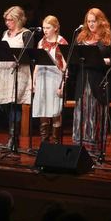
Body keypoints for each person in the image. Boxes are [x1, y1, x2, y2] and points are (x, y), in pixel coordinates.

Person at [70, 8, 111, 156]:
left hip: (99, 80)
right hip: (83, 79)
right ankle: (79, 148)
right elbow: (73, 57)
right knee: (81, 113)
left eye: (94, 21)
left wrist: (105, 60)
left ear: (101, 21)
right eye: (89, 21)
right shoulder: (80, 36)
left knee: (95, 114)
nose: (91, 24)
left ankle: (94, 150)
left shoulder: (109, 37)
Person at [0, 6, 34, 149]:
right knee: (5, 104)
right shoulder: (5, 33)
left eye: (10, 20)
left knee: (15, 105)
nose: (7, 23)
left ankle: (13, 139)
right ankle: (11, 137)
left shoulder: (27, 33)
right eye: (6, 20)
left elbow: (29, 55)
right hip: (4, 72)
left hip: (19, 73)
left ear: (18, 20)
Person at [32, 15, 68, 144]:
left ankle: (56, 141)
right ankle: (44, 142)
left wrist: (62, 84)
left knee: (55, 111)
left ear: (56, 28)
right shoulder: (41, 42)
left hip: (55, 78)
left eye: (48, 28)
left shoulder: (62, 42)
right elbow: (37, 62)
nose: (45, 30)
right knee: (43, 109)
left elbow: (65, 65)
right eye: (43, 28)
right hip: (42, 77)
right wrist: (34, 80)